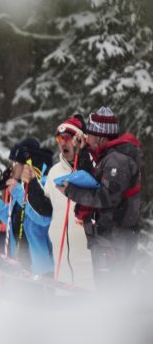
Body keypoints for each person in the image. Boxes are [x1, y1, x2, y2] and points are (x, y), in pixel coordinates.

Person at [60, 107, 143, 285]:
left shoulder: (117, 160)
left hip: (115, 240)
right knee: (108, 289)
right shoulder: (107, 158)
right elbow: (93, 181)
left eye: (90, 133)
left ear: (100, 135)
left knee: (112, 291)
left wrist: (71, 191)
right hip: (109, 238)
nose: (86, 138)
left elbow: (107, 197)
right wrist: (82, 153)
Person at [0, 138, 54, 277]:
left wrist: (18, 192)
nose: (11, 167)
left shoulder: (43, 184)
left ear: (25, 164)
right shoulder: (21, 186)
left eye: (15, 163)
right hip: (21, 268)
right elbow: (18, 219)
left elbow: (42, 218)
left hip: (42, 270)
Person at [42, 115, 95, 289]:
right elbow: (45, 208)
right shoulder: (54, 172)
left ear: (78, 140)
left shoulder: (92, 167)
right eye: (59, 138)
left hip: (87, 259)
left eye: (67, 138)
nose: (62, 142)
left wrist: (85, 154)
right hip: (61, 259)